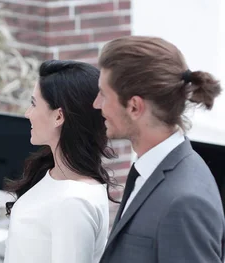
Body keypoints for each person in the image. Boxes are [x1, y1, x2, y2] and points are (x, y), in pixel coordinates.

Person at [96, 36, 224, 263]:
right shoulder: (150, 170)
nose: (97, 104)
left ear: (134, 106)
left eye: (104, 95)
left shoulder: (185, 202)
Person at [2, 60, 116, 263]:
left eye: (34, 104)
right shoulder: (52, 174)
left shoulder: (75, 202)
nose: (28, 114)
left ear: (58, 116)